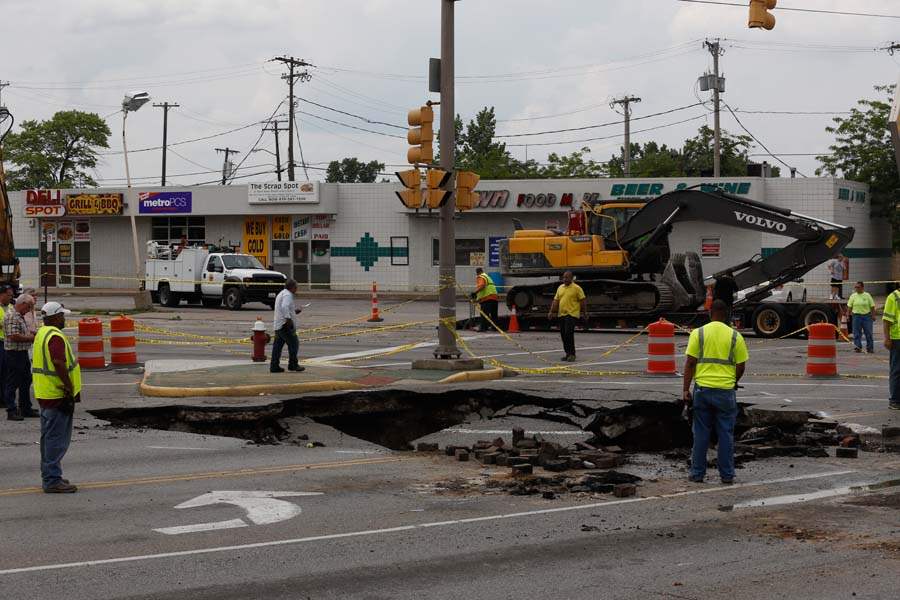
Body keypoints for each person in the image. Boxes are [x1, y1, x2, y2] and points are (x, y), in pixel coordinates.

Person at [683, 299, 749, 484]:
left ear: (709, 313)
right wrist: (733, 380)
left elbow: (690, 363)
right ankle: (727, 475)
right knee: (725, 434)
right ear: (727, 315)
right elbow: (741, 366)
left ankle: (697, 474)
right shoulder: (735, 336)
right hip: (725, 392)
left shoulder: (699, 333)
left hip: (702, 390)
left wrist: (685, 390)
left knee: (701, 434)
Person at [33, 301, 81, 493]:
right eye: (62, 315)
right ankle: (52, 480)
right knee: (56, 440)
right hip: (57, 395)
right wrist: (69, 388)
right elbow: (58, 362)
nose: (64, 318)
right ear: (53, 317)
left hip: (45, 394)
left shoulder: (41, 333)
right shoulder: (55, 337)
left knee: (47, 439)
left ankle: (50, 475)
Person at [4, 294, 37, 419]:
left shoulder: (19, 316)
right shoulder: (13, 316)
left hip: (21, 353)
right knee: (12, 383)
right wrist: (31, 337)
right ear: (22, 304)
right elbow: (14, 336)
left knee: (26, 380)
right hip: (14, 354)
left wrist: (30, 333)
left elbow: (19, 332)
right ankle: (11, 410)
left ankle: (25, 408)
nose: (28, 310)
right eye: (28, 307)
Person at [548, 271, 586, 362]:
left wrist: (584, 312)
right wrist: (551, 311)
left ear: (572, 278)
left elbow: (583, 301)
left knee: (568, 333)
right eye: (563, 277)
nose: (564, 279)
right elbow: (556, 301)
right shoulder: (560, 288)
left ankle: (572, 354)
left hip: (572, 314)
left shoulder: (577, 288)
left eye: (567, 277)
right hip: (561, 314)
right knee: (563, 335)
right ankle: (567, 354)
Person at [271, 279, 305, 373]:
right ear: (292, 287)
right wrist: (288, 319)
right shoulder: (288, 295)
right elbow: (284, 307)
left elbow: (284, 307)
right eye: (296, 287)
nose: (296, 289)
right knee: (294, 343)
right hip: (284, 325)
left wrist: (294, 312)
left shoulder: (282, 293)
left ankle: (274, 366)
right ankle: (293, 364)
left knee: (277, 346)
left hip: (278, 325)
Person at [0, 284, 17, 420]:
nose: (11, 297)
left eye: (12, 295)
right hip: (0, 342)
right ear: (2, 294)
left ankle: (4, 398)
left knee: (6, 371)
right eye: (9, 295)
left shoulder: (11, 307)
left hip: (7, 343)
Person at [882, 286, 900, 410]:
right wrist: (887, 338)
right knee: (896, 370)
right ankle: (894, 400)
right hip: (897, 338)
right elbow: (886, 320)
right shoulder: (893, 297)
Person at [847, 281, 876, 354]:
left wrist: (873, 315)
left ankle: (870, 348)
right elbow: (849, 306)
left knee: (868, 333)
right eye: (855, 287)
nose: (856, 289)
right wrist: (848, 315)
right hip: (856, 316)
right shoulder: (853, 296)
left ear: (862, 288)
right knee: (856, 333)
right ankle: (858, 347)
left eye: (858, 287)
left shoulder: (867, 295)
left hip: (867, 316)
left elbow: (872, 306)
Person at [472, 267, 499, 332]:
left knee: (484, 314)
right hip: (494, 297)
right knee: (494, 314)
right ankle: (494, 328)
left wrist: (475, 293)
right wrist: (477, 300)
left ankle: (483, 328)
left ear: (477, 272)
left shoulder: (480, 277)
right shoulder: (487, 276)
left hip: (487, 298)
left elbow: (482, 286)